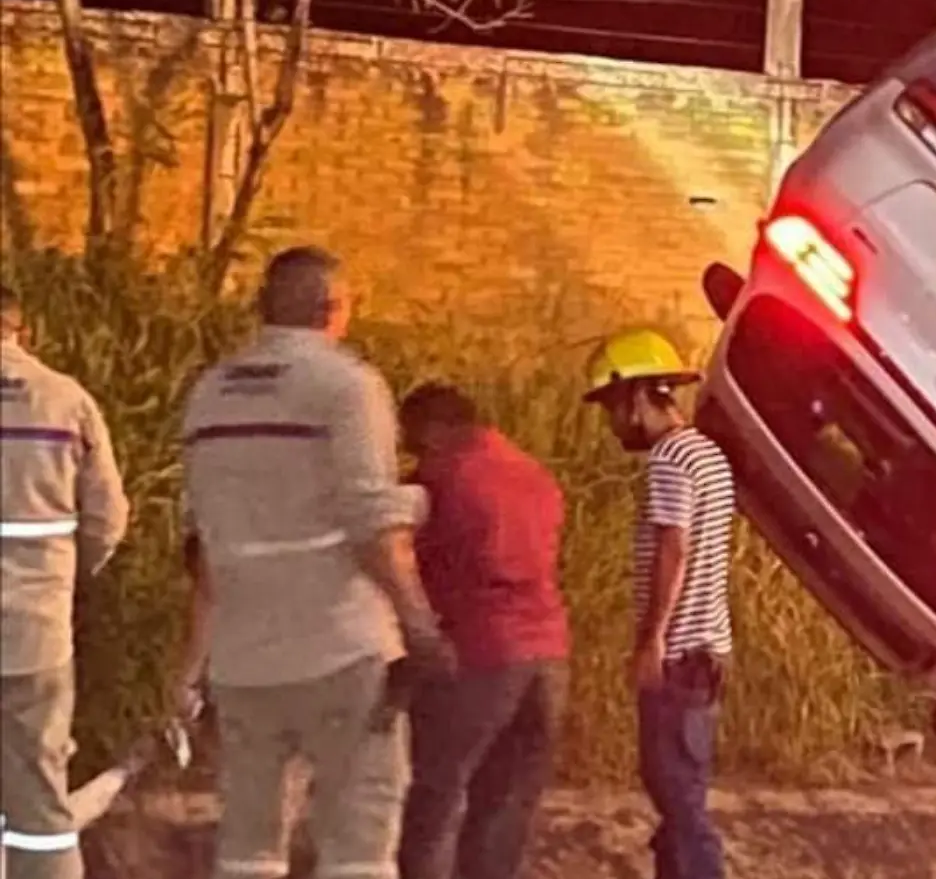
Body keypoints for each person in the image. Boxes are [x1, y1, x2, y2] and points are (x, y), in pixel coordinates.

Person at [171, 246, 451, 879]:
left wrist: (192, 667)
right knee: (358, 842)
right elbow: (372, 523)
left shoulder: (209, 394)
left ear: (262, 307)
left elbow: (204, 550)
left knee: (247, 847)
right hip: (339, 653)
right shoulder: (346, 387)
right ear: (335, 310)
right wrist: (420, 627)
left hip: (242, 662)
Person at [395, 383, 570, 879]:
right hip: (549, 652)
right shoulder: (535, 475)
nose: (413, 452)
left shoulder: (445, 476)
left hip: (480, 651)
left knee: (436, 792)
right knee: (508, 801)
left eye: (413, 439)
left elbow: (409, 558)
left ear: (433, 430)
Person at [581, 329, 735, 879]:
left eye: (612, 408)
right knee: (681, 789)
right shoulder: (707, 453)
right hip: (710, 650)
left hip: (679, 657)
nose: (613, 423)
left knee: (677, 796)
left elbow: (674, 545)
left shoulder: (669, 459)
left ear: (637, 396)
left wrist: (651, 640)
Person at [0, 285, 130, 879]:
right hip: (37, 630)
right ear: (19, 326)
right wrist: (68, 578)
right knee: (39, 795)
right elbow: (108, 517)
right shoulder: (66, 401)